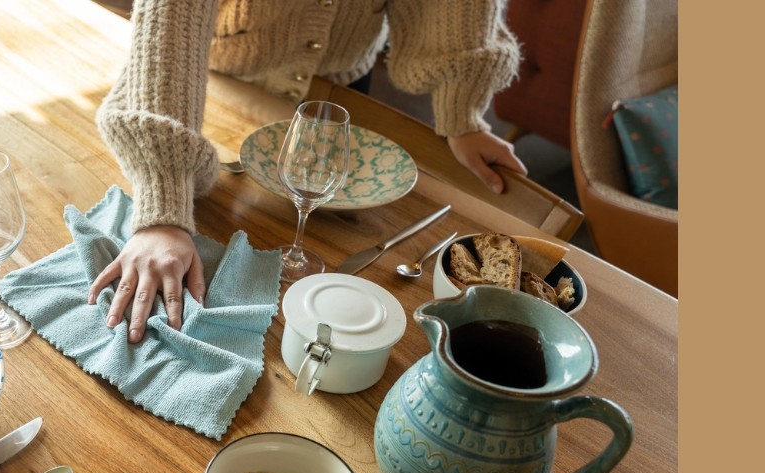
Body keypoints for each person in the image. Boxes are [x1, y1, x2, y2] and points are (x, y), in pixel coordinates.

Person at [89, 0, 527, 343]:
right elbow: (171, 23)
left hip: (338, 96)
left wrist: (462, 114)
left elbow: (457, 12)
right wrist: (163, 203)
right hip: (213, 85)